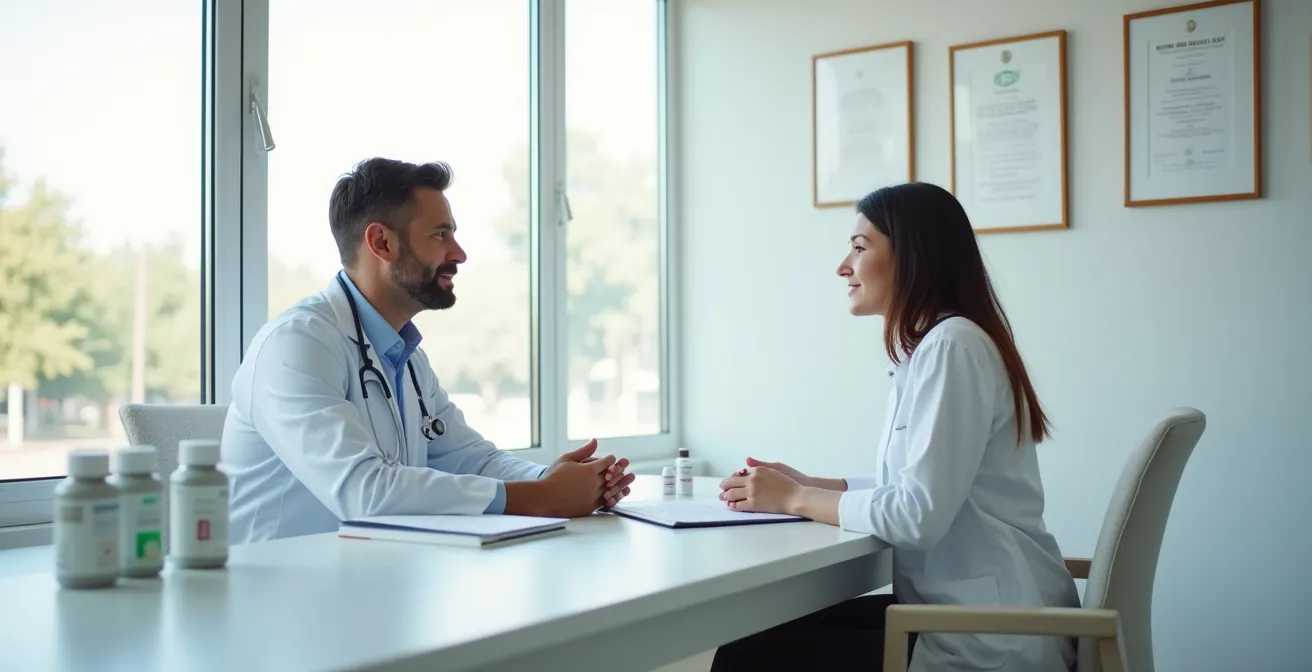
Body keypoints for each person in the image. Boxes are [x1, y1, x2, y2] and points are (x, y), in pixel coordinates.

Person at [712, 182, 1080, 671]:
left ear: (912, 257)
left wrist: (793, 500)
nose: (843, 266)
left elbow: (916, 516)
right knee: (755, 638)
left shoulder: (952, 347)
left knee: (749, 657)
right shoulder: (936, 347)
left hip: (987, 638)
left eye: (860, 248)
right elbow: (910, 489)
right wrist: (807, 484)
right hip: (966, 614)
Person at [221, 157, 635, 544]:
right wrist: (542, 497)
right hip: (277, 604)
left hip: (370, 585)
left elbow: (470, 459)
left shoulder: (405, 355)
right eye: (441, 234)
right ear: (382, 242)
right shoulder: (297, 344)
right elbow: (366, 494)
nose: (459, 253)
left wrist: (554, 479)